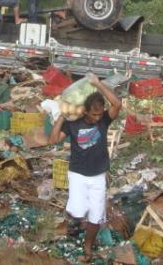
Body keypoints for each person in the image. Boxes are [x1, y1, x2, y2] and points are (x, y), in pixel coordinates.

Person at [48, 73, 122, 263]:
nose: (98, 118)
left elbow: (117, 104)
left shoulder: (104, 120)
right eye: (94, 114)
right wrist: (61, 118)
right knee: (78, 211)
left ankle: (87, 245)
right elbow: (53, 140)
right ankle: (76, 221)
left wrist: (98, 84)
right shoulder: (74, 124)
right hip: (78, 175)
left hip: (98, 176)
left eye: (100, 113)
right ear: (85, 111)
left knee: (96, 216)